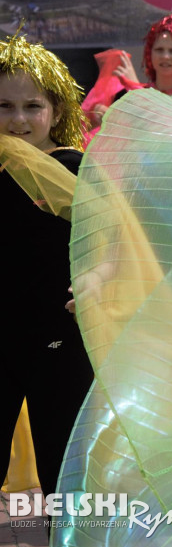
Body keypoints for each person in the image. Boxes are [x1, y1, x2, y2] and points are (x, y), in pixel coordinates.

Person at [0, 34, 94, 499]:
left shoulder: (77, 168)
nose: (18, 120)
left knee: (67, 472)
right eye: (4, 105)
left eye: (32, 106)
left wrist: (97, 284)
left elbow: (114, 241)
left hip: (61, 339)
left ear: (57, 111)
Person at [112, 15, 172, 116]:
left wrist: (135, 89)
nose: (165, 56)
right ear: (149, 53)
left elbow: (166, 127)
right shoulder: (140, 91)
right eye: (159, 50)